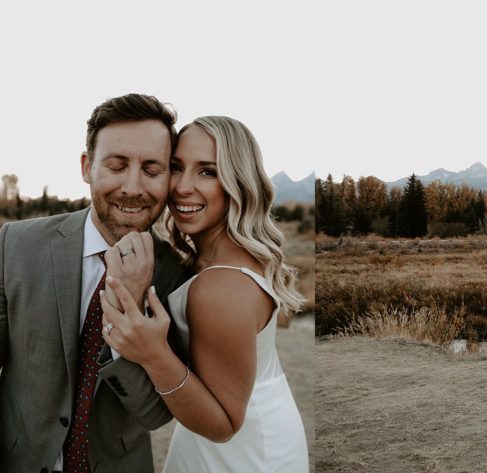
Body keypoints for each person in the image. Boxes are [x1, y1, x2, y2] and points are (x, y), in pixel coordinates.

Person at [99, 116, 308, 472]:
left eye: (207, 172)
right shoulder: (220, 259)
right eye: (177, 168)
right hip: (261, 425)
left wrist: (153, 353)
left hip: (242, 453)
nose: (182, 187)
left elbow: (224, 425)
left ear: (237, 182)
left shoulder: (219, 286)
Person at [0, 93, 190, 472]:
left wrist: (129, 308)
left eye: (151, 170)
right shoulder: (14, 245)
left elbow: (156, 416)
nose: (133, 187)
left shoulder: (180, 278)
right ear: (87, 166)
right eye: (117, 166)